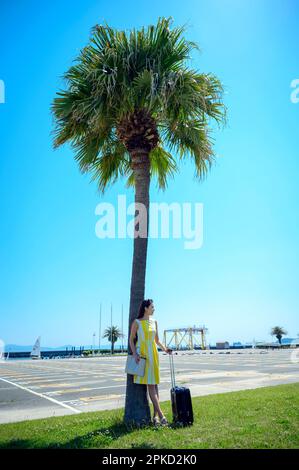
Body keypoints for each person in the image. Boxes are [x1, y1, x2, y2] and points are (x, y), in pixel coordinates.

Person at [129, 298, 172, 426]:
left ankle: (155, 418)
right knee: (151, 386)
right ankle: (161, 416)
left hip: (153, 355)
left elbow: (157, 340)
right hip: (143, 356)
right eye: (152, 307)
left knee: (154, 384)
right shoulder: (137, 322)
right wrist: (135, 354)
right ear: (146, 308)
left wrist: (165, 349)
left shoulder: (155, 322)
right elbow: (131, 340)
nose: (154, 309)